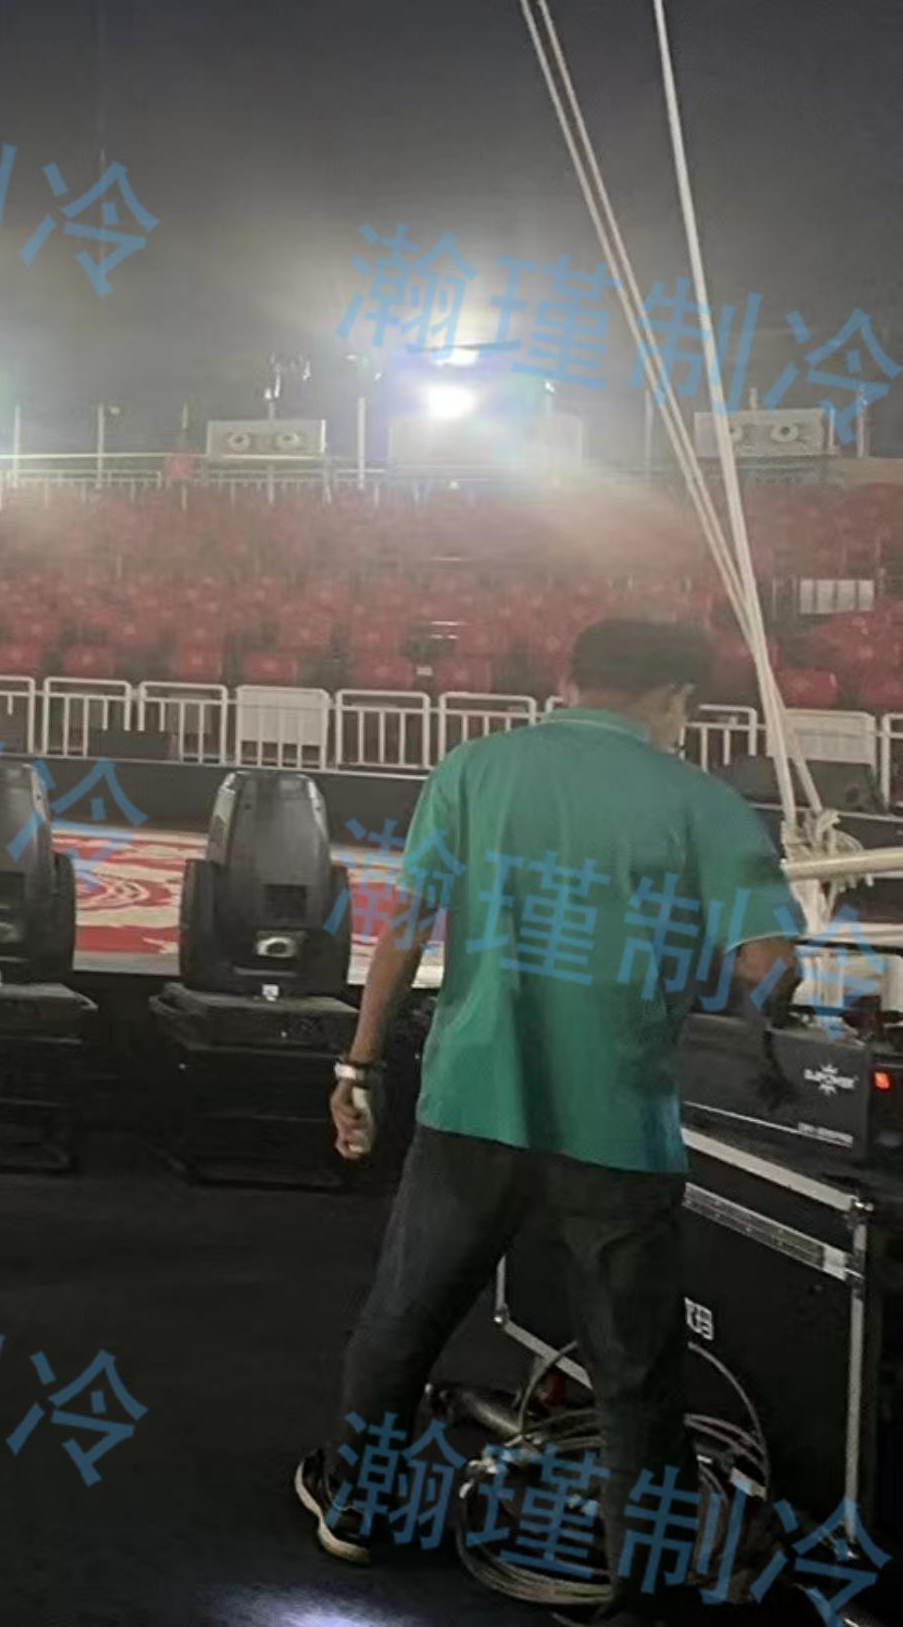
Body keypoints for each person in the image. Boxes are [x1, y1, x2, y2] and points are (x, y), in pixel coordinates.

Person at [297, 617, 803, 1624]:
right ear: (676, 699)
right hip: (620, 1125)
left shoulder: (474, 769)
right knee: (635, 1369)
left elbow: (404, 928)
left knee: (402, 1321)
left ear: (569, 678)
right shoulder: (703, 801)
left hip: (471, 1105)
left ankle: (359, 1507)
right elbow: (768, 968)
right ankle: (645, 1590)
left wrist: (358, 1062)